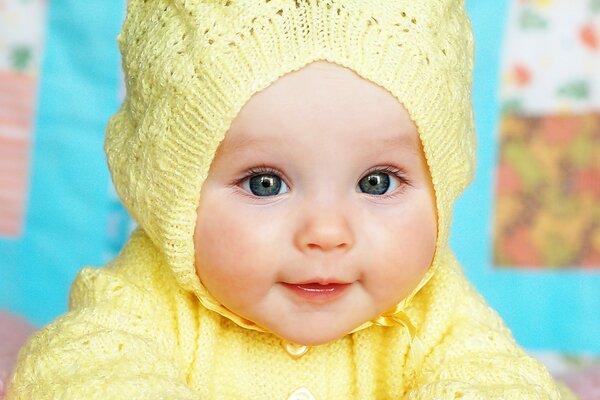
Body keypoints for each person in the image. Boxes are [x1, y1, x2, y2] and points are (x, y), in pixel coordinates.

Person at [6, 0, 574, 398]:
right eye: (264, 183)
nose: (326, 233)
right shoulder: (146, 298)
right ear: (170, 195)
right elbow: (83, 368)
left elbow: (498, 379)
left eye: (377, 181)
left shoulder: (433, 312)